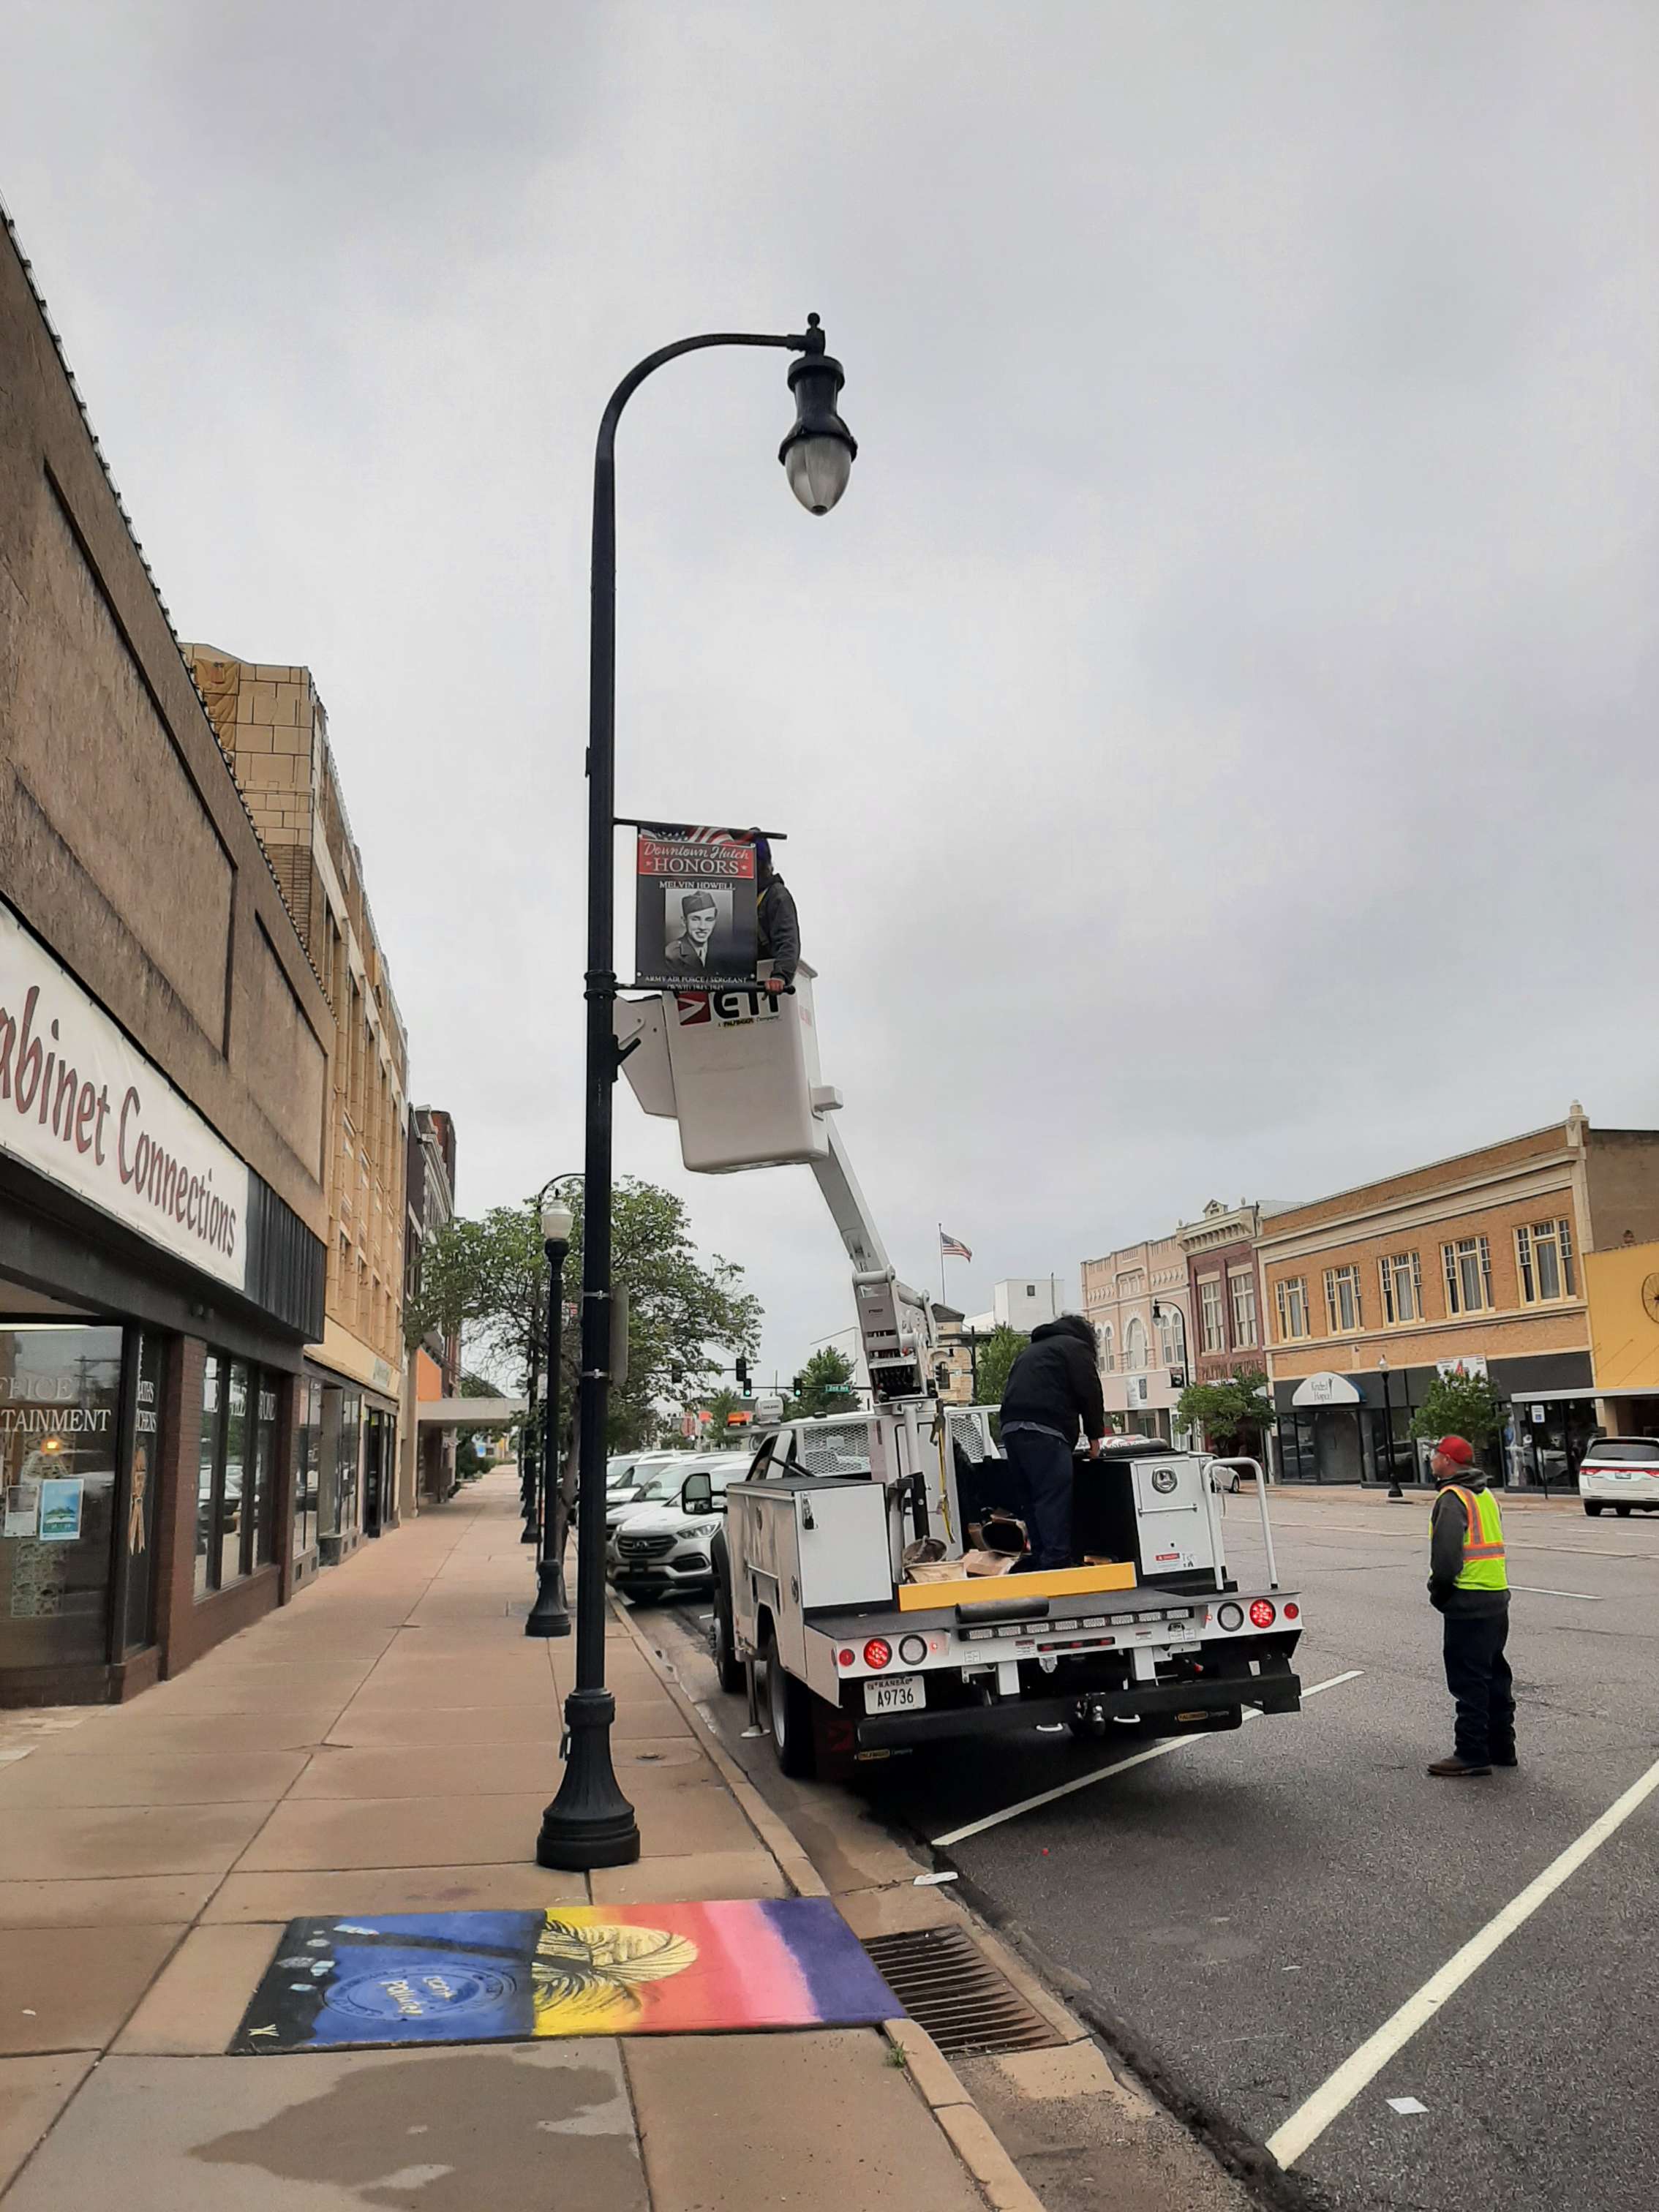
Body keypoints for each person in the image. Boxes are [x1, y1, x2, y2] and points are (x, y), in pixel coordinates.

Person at [1426, 1434, 1515, 1778]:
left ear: (1447, 1461)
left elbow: (1447, 1559)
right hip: (1496, 1596)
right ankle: (1502, 1747)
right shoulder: (1486, 1494)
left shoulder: (1452, 1498)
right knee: (1494, 1676)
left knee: (1469, 1680)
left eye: (1435, 1454)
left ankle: (1472, 1752)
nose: (1432, 1459)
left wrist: (1440, 1592)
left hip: (1468, 1600)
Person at [997, 1315, 1105, 1573]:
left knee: (1031, 1498)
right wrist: (1094, 1436)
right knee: (1052, 1496)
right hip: (1046, 1429)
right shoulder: (1074, 1348)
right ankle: (1056, 1560)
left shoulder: (1031, 1351)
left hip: (1011, 1428)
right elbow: (1089, 1392)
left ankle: (1040, 1555)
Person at [740, 830, 799, 997]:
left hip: (766, 987)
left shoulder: (776, 896)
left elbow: (788, 939)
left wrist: (780, 976)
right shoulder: (735, 898)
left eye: (751, 863)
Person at [665, 889, 723, 971]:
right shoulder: (671, 955)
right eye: (696, 919)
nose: (702, 927)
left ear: (714, 922)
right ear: (684, 922)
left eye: (709, 920)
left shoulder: (721, 951)